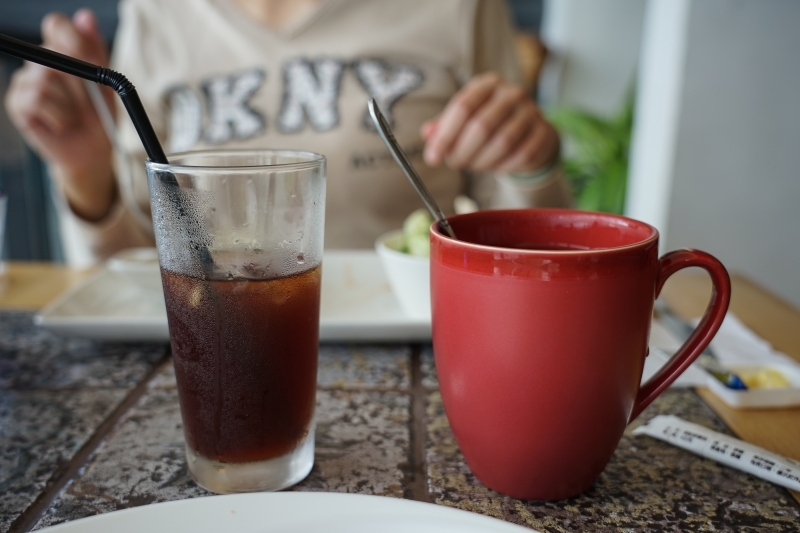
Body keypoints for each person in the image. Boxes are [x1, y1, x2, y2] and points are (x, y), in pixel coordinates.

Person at [5, 0, 570, 266]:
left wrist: (530, 163)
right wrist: (83, 167)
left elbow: (524, 241)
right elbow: (133, 265)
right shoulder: (156, 15)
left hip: (418, 339)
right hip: (213, 347)